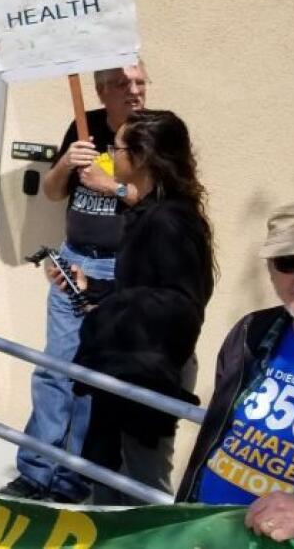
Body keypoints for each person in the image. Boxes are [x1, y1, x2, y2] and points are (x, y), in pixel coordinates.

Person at [0, 63, 149, 503]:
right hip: (72, 262)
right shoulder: (84, 127)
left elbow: (162, 199)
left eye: (141, 82)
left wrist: (112, 186)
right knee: (54, 372)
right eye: (123, 84)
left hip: (117, 271)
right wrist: (68, 160)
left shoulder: (150, 134)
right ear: (102, 91)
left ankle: (72, 479)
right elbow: (51, 191)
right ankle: (34, 472)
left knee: (89, 380)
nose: (134, 91)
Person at [56, 109, 215, 505]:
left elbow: (181, 306)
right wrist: (90, 287)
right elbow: (146, 289)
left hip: (154, 370)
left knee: (143, 486)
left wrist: (105, 314)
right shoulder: (149, 213)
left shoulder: (169, 221)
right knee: (110, 478)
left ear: (142, 157)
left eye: (119, 148)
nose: (112, 155)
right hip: (133, 362)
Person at [177, 199, 294, 547]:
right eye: (288, 262)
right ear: (271, 270)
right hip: (208, 535)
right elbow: (215, 437)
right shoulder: (252, 331)